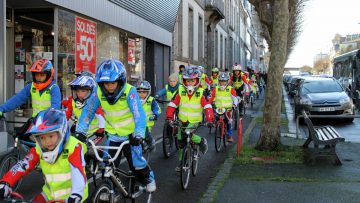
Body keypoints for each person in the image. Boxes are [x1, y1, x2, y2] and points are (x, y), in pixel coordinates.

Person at [75, 59, 156, 192]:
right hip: (113, 135)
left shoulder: (130, 91)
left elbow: (139, 115)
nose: (110, 86)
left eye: (113, 82)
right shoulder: (98, 92)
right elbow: (88, 112)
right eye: (106, 83)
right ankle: (110, 190)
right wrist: (81, 132)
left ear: (120, 81)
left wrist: (140, 134)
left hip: (131, 135)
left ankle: (149, 179)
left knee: (137, 164)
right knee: (108, 166)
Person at [0, 109, 88, 203]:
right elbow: (24, 164)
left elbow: (77, 172)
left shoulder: (74, 147)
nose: (47, 142)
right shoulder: (39, 148)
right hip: (49, 194)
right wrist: (6, 182)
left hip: (71, 197)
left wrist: (76, 194)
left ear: (62, 133)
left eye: (51, 136)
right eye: (42, 137)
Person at [166, 66, 214, 172]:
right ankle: (181, 163)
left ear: (197, 80)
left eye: (192, 81)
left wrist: (210, 119)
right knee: (180, 141)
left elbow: (207, 106)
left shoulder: (201, 92)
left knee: (187, 133)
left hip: (195, 120)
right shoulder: (180, 90)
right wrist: (169, 117)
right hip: (182, 120)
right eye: (187, 81)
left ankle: (201, 141)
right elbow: (173, 104)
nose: (190, 83)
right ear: (183, 81)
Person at [61, 71, 105, 138]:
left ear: (91, 91)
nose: (80, 94)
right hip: (80, 133)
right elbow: (67, 115)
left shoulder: (93, 102)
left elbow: (101, 117)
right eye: (78, 91)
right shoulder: (73, 101)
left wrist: (101, 130)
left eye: (83, 91)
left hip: (95, 135)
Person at [209, 72, 238, 142]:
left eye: (224, 82)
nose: (222, 83)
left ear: (227, 81)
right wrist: (208, 104)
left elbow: (235, 98)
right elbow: (211, 98)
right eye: (221, 81)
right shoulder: (215, 88)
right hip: (218, 109)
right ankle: (218, 127)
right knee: (214, 119)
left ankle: (229, 136)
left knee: (229, 122)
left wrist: (234, 105)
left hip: (228, 109)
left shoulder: (231, 89)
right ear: (219, 81)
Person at [136, 80, 161, 151]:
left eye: (144, 92)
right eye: (139, 92)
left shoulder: (151, 100)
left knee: (145, 133)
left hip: (147, 123)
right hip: (135, 123)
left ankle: (150, 141)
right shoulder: (133, 100)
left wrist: (155, 115)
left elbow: (157, 109)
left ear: (148, 92)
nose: (141, 94)